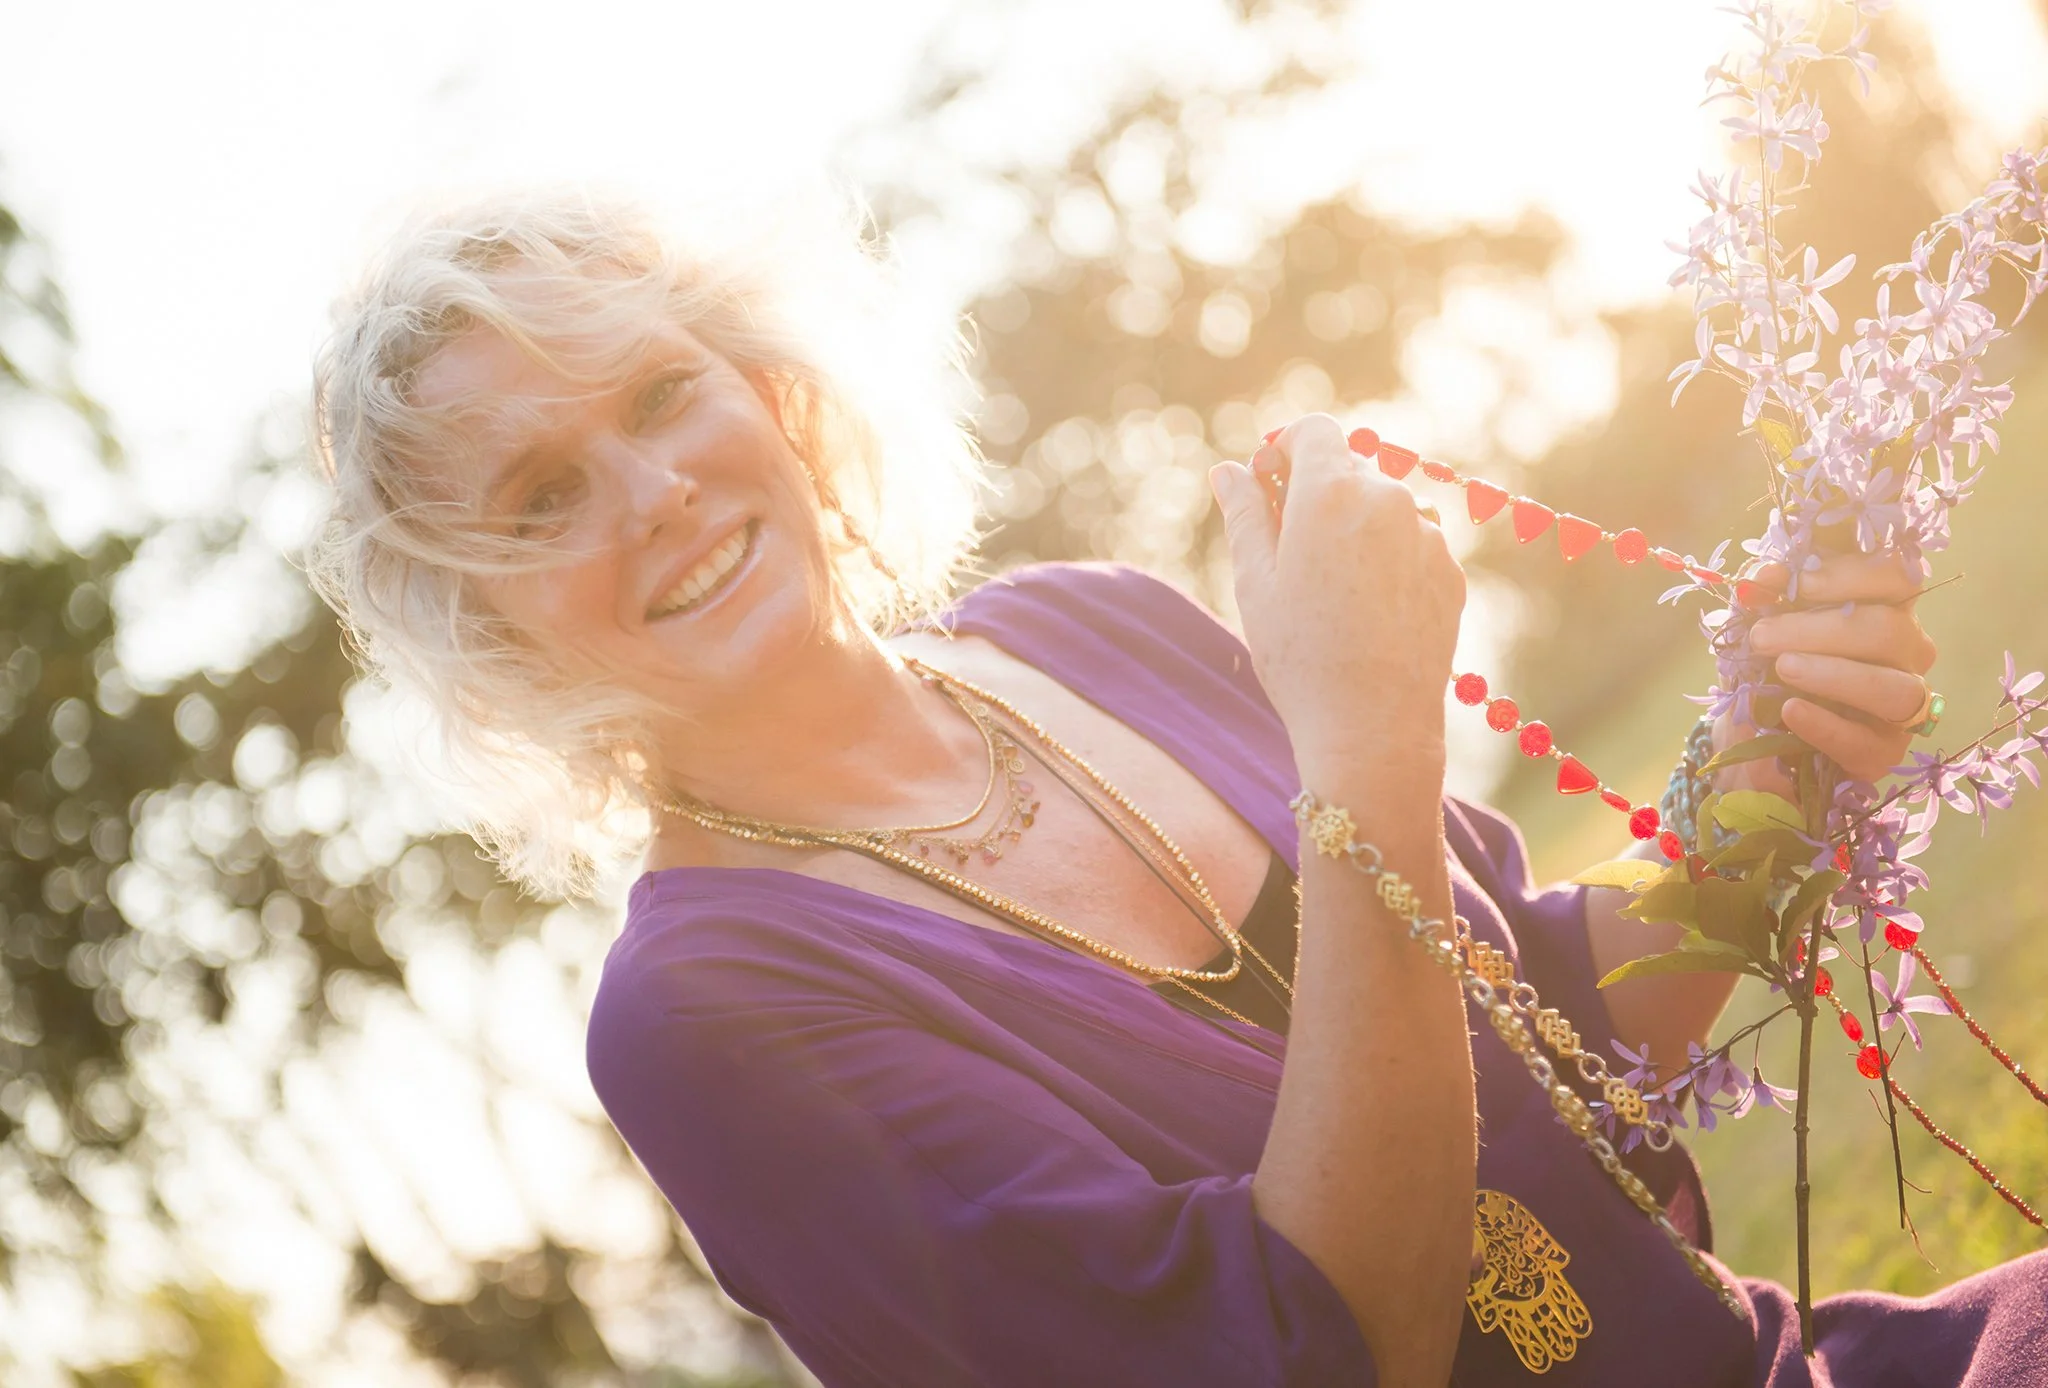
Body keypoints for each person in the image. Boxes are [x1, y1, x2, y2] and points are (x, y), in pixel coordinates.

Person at [306, 190, 2045, 1386]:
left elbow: (1562, 1031)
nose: (651, 490)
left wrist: (1770, 765)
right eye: (540, 496)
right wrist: (1365, 744)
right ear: (491, 630)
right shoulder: (707, 1016)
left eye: (663, 392)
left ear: (772, 390)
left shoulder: (1085, 631)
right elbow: (1323, 1346)